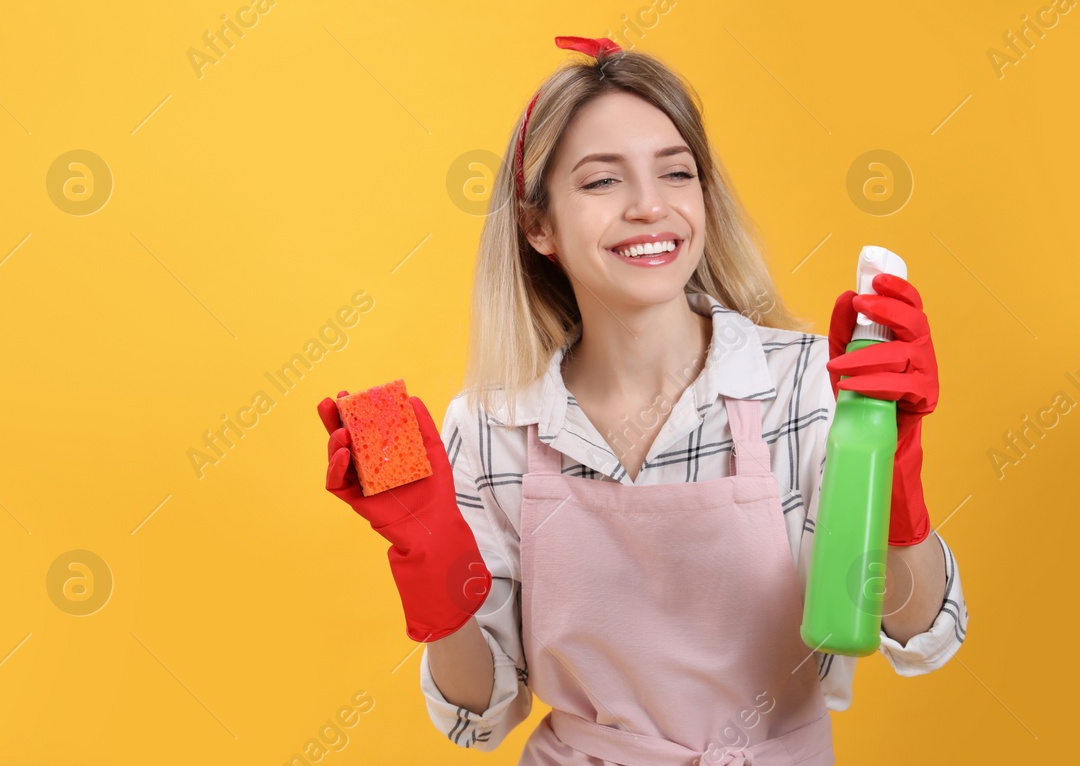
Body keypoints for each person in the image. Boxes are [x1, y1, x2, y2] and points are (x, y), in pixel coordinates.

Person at [317, 37, 965, 765]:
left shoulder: (810, 385)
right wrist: (433, 574)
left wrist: (896, 487)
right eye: (601, 183)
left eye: (676, 173)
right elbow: (482, 716)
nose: (650, 206)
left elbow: (918, 636)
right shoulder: (491, 425)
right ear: (538, 226)